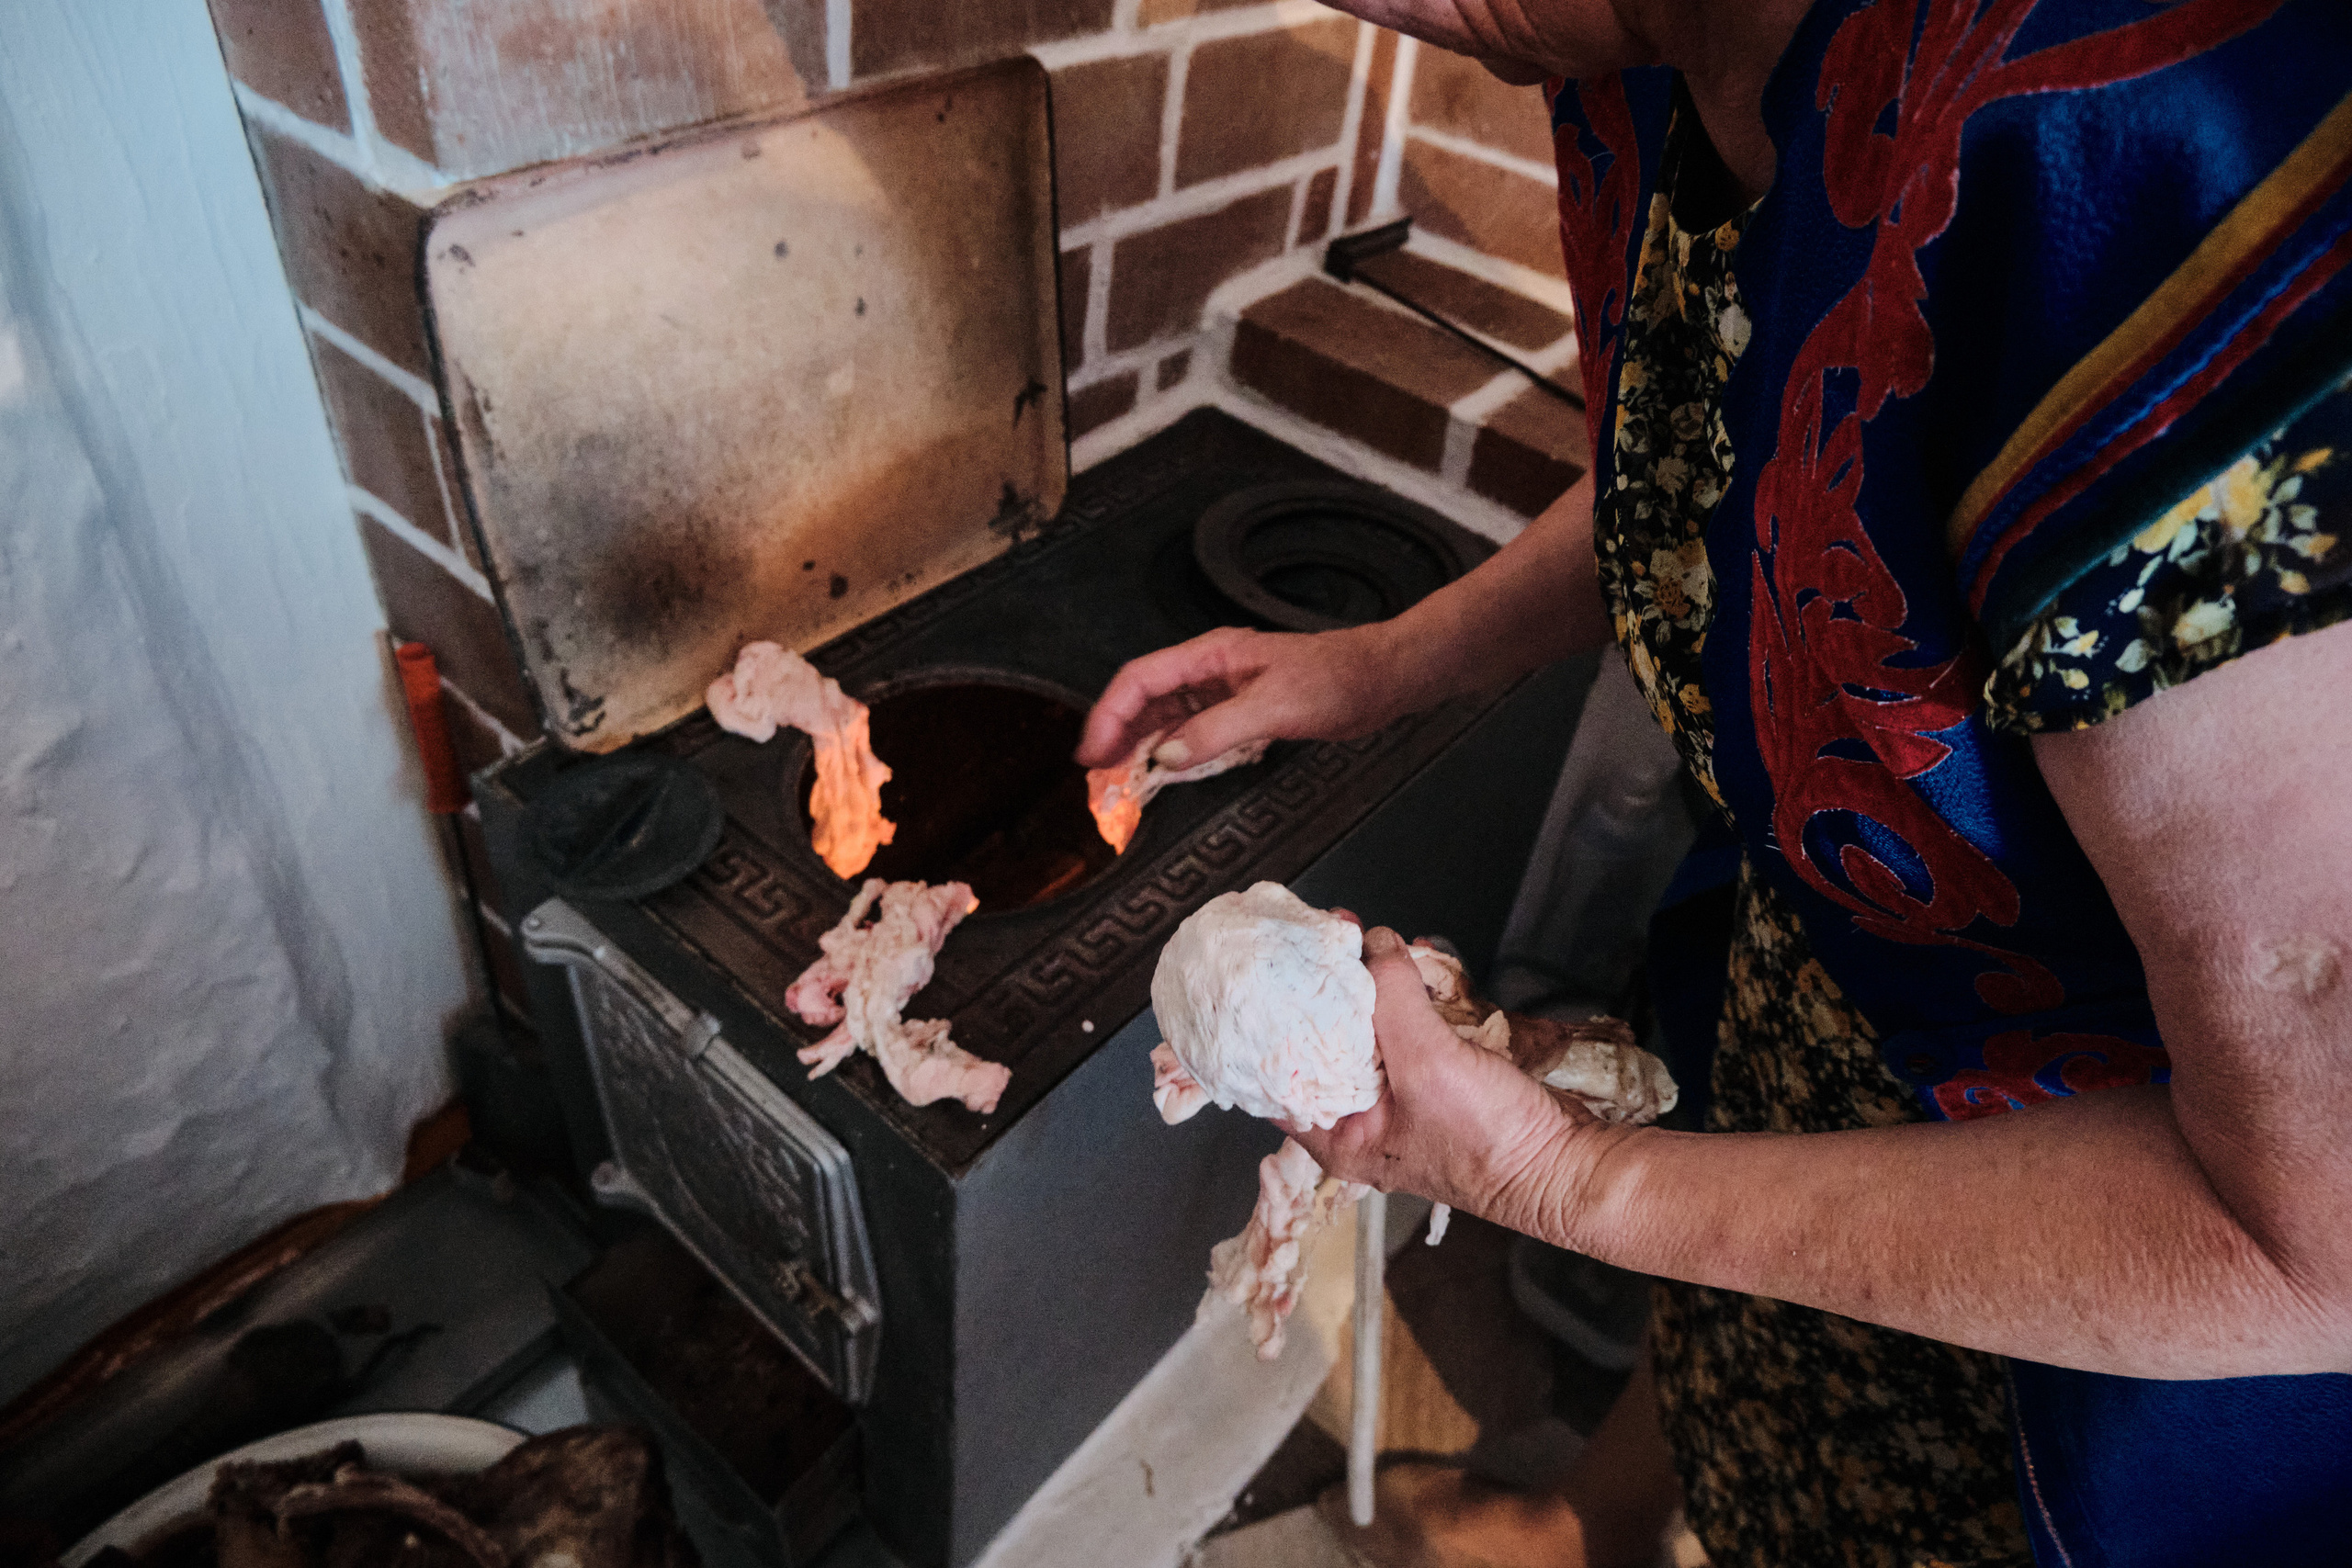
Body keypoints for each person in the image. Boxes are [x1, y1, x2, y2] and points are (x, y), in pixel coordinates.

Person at [1076, 2, 2352, 1563]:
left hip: (2107, 1259)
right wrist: (1385, 664)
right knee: (1729, 1367)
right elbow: (1721, 454)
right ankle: (1591, 1524)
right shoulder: (1630, 47)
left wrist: (1566, 1179)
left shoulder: (2151, 147)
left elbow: (2314, 1240)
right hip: (1833, 969)